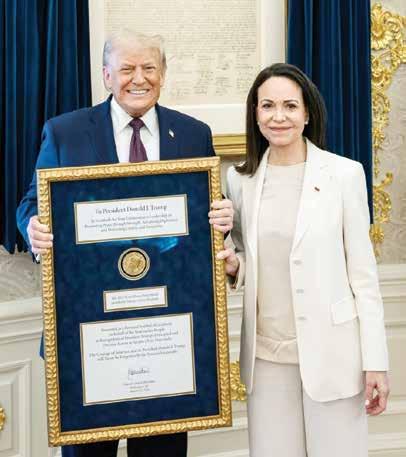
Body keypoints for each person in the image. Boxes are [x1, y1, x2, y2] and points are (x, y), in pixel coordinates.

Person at [16, 30, 233, 457]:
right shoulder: (65, 132)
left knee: (162, 450)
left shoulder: (193, 134)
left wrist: (222, 218)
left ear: (163, 73)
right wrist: (33, 227)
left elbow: (204, 214)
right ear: (106, 75)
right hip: (88, 330)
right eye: (127, 68)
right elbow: (31, 203)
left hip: (167, 329)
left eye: (149, 67)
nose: (139, 78)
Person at [218, 63, 389, 457]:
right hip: (266, 358)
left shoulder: (344, 175)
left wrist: (376, 362)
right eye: (267, 106)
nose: (278, 116)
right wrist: (234, 267)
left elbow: (364, 278)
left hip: (334, 355)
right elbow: (246, 255)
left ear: (307, 113)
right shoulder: (239, 180)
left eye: (290, 106)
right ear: (255, 114)